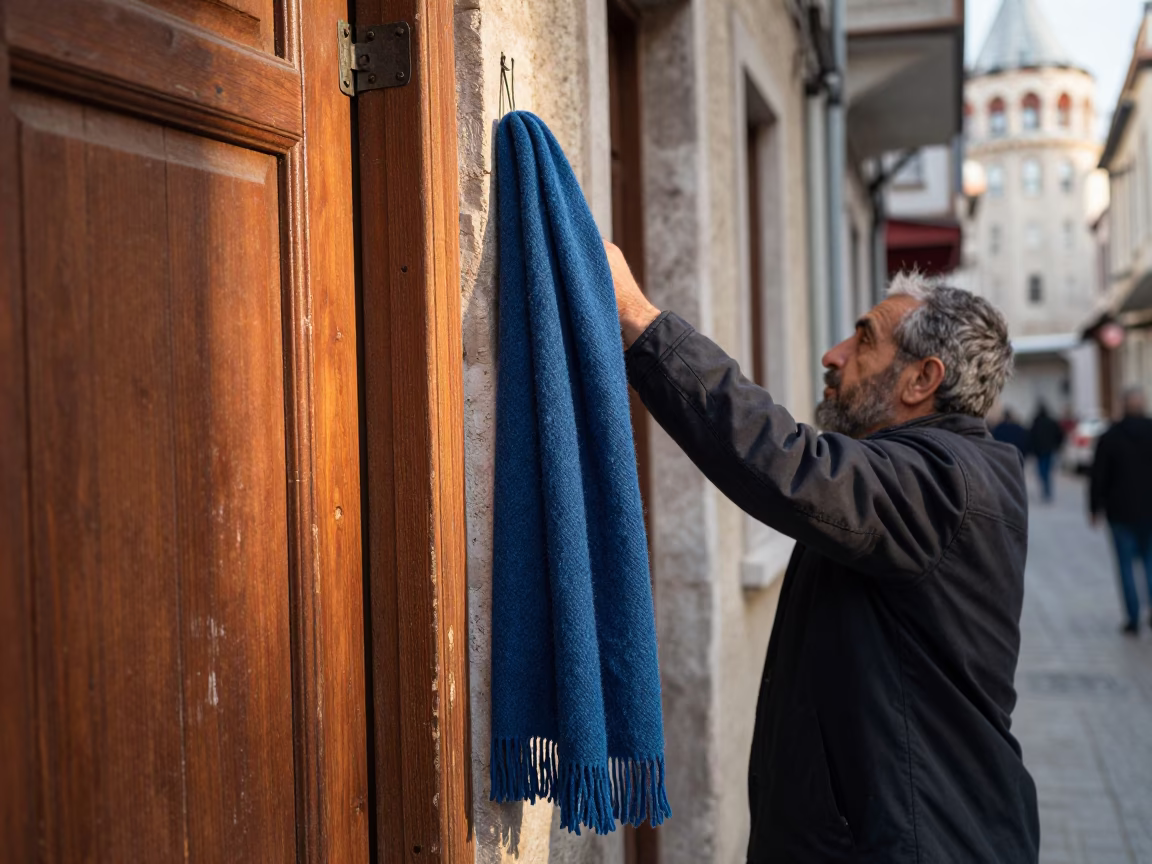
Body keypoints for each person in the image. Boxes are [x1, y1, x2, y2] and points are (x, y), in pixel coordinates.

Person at [605, 244, 1038, 864]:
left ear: (923, 379)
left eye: (864, 340)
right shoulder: (931, 474)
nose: (834, 357)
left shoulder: (943, 482)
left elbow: (789, 464)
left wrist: (640, 322)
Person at [1090, 387, 1152, 636]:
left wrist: (1094, 507)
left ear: (1123, 406)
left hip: (1120, 512)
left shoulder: (1110, 436)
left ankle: (1133, 618)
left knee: (1125, 565)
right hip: (1150, 511)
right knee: (1150, 562)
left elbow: (1098, 476)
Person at [1027, 404, 1064, 503]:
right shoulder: (1052, 422)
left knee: (1042, 471)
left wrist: (1031, 449)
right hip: (1049, 449)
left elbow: (1031, 436)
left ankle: (1045, 490)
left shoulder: (1036, 423)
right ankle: (1047, 490)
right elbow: (1060, 434)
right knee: (1047, 470)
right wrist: (1057, 445)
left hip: (1039, 450)